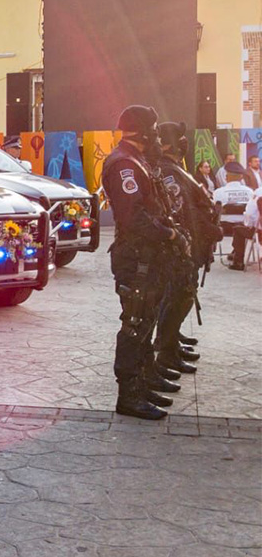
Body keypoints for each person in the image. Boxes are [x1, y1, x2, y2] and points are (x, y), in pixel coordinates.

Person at [101, 104, 185, 420]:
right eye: (152, 129)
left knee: (145, 321)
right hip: (135, 258)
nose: (155, 135)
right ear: (143, 130)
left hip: (147, 258)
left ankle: (143, 382)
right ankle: (129, 395)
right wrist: (170, 235)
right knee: (135, 324)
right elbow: (134, 217)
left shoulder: (137, 161)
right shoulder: (125, 165)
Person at [150, 122, 212, 376]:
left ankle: (171, 341)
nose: (184, 144)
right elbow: (177, 210)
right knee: (175, 298)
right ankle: (166, 351)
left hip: (189, 244)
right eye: (179, 139)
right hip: (177, 247)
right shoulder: (166, 170)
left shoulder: (175, 168)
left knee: (180, 297)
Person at [213, 161, 255, 270]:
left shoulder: (219, 192)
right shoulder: (249, 192)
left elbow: (215, 211)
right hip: (244, 227)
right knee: (240, 228)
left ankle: (235, 253)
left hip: (225, 228)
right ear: (241, 177)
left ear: (226, 177)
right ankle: (235, 252)